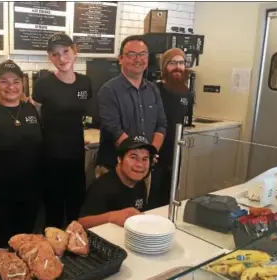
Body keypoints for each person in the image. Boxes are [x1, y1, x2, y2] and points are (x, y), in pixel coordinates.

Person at [0, 60, 43, 249]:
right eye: (4, 81)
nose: (11, 86)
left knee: (26, 242)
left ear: (22, 84)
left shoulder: (31, 110)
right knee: (2, 244)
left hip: (30, 190)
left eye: (16, 81)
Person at [31, 33, 92, 229]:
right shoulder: (43, 85)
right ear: (50, 58)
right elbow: (35, 117)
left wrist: (75, 138)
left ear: (75, 51)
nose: (62, 58)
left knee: (76, 210)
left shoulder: (85, 83)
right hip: (51, 159)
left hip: (76, 156)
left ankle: (76, 255)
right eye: (55, 55)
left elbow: (78, 117)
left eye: (65, 51)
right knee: (54, 213)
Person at [95, 35, 167, 200]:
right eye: (132, 54)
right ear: (120, 58)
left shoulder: (153, 90)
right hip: (113, 168)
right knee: (110, 221)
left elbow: (161, 125)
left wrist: (149, 154)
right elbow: (113, 129)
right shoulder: (109, 90)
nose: (138, 59)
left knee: (138, 218)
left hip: (143, 169)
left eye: (142, 54)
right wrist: (138, 157)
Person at [148, 48, 194, 209]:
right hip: (156, 153)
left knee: (169, 196)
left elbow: (186, 120)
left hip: (176, 154)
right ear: (164, 66)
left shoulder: (187, 93)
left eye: (181, 63)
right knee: (152, 198)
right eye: (172, 63)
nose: (178, 67)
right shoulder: (154, 90)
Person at [79, 137, 154, 229]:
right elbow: (81, 222)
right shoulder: (102, 187)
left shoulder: (140, 183)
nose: (140, 165)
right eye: (133, 157)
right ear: (119, 159)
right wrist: (111, 217)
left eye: (145, 159)